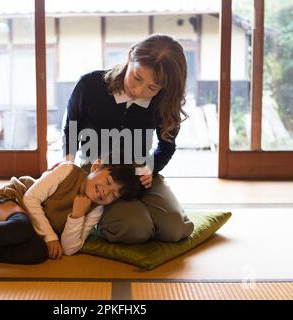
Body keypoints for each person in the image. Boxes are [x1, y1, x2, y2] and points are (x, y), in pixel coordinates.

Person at [63, 34, 195, 244]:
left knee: (175, 229)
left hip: (139, 170)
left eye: (152, 88)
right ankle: (132, 216)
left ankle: (142, 212)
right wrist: (68, 166)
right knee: (134, 229)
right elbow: (71, 128)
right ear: (130, 56)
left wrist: (151, 168)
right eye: (137, 78)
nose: (139, 91)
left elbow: (167, 146)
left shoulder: (164, 101)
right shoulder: (90, 85)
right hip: (99, 171)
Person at [0, 160, 141, 275]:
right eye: (108, 182)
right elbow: (31, 198)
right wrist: (50, 237)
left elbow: (70, 248)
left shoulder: (95, 210)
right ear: (96, 167)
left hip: (31, 233)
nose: (105, 192)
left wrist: (76, 215)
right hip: (14, 202)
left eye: (113, 194)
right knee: (22, 227)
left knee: (37, 253)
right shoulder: (68, 171)